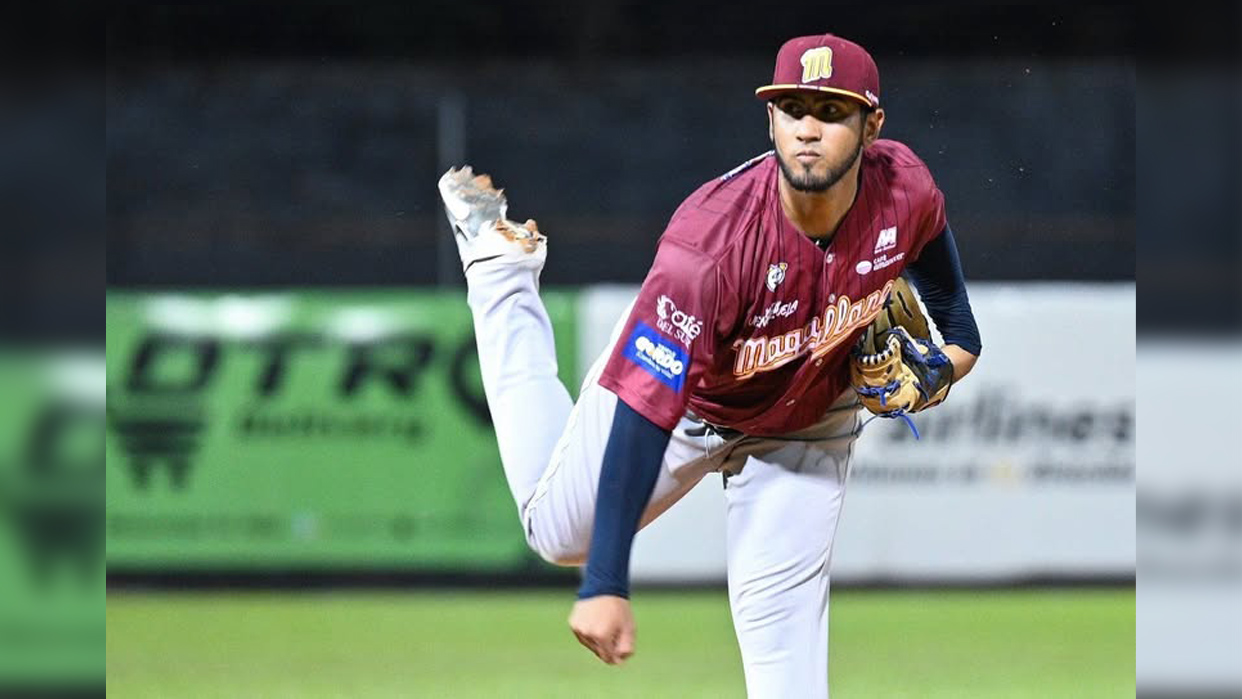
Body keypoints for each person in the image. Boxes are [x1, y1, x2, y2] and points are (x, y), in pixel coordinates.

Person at [437, 32, 982, 699]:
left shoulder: (906, 191)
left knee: (788, 669)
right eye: (792, 109)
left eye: (831, 112)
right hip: (688, 398)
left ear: (872, 125)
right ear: (770, 119)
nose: (808, 129)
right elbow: (644, 413)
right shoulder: (710, 245)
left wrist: (932, 377)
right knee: (558, 535)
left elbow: (960, 330)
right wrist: (607, 580)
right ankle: (501, 273)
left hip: (806, 426)